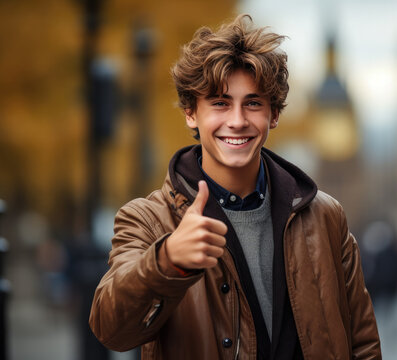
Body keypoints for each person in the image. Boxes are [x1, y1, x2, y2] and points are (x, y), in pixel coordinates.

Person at [89, 14, 381, 359]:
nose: (238, 121)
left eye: (253, 103)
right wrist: (166, 262)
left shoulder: (326, 217)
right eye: (219, 103)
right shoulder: (147, 220)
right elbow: (111, 330)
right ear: (190, 113)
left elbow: (362, 344)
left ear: (273, 114)